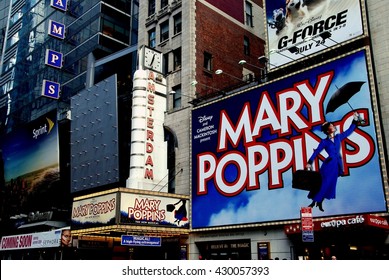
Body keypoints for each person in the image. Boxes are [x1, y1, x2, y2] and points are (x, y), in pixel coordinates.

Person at [306, 112, 360, 212]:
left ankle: (320, 202)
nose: (334, 126)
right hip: (328, 166)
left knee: (330, 184)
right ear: (328, 130)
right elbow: (317, 151)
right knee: (323, 183)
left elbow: (349, 131)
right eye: (331, 126)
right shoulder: (324, 142)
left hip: (336, 166)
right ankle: (314, 202)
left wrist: (355, 119)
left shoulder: (338, 137)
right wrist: (310, 162)